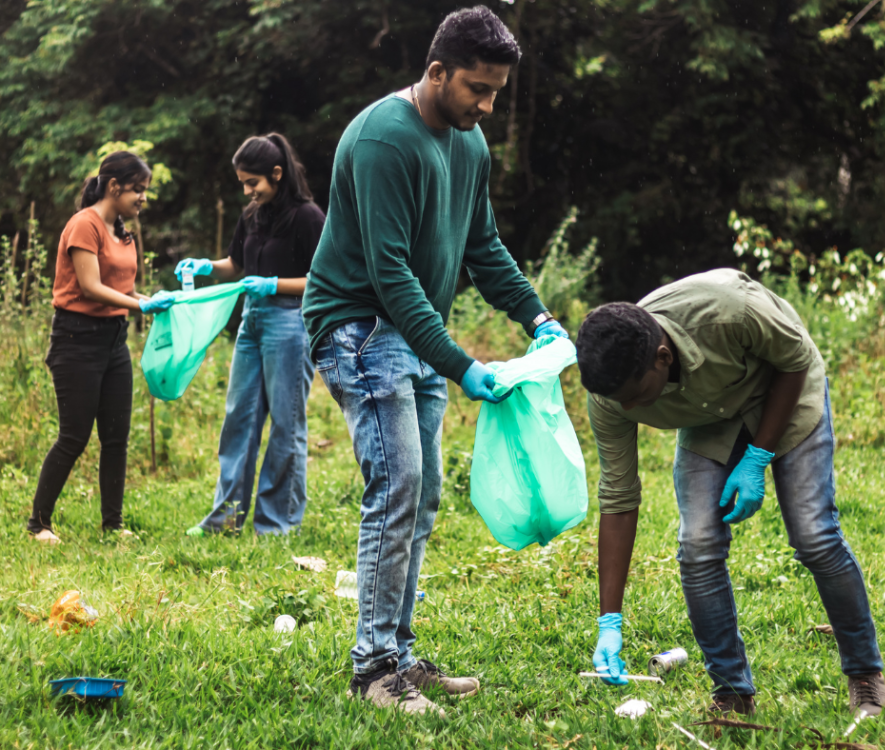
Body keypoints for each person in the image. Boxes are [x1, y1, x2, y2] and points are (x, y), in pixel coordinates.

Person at [302, 5, 567, 718]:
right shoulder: (384, 140)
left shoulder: (467, 144)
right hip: (359, 326)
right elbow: (390, 275)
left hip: (410, 333)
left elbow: (482, 248)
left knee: (420, 499)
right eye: (475, 90)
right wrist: (461, 363)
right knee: (397, 489)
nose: (485, 105)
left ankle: (399, 653)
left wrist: (536, 315)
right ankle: (371, 670)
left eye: (495, 94)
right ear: (435, 71)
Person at [577, 268, 885, 717]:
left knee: (813, 534)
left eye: (637, 396)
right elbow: (619, 497)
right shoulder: (611, 391)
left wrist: (758, 456)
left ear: (663, 357)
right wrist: (609, 619)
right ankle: (732, 692)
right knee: (698, 543)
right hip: (710, 422)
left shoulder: (729, 310)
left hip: (786, 391)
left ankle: (865, 674)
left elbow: (795, 360)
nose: (628, 410)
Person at [176, 133, 324, 536]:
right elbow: (235, 264)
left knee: (285, 423)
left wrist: (274, 284)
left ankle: (276, 522)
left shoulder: (308, 216)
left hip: (291, 324)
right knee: (238, 420)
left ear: (277, 174)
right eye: (243, 182)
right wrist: (205, 265)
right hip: (251, 322)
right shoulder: (251, 214)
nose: (247, 190)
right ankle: (225, 519)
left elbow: (322, 282)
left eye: (252, 182)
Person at [27, 151, 175, 544]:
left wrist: (149, 299)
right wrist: (140, 305)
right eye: (138, 190)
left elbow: (120, 291)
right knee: (74, 436)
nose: (143, 198)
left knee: (116, 437)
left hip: (114, 341)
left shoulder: (122, 231)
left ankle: (113, 524)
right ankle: (38, 524)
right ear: (114, 186)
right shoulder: (84, 225)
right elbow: (91, 287)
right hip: (76, 340)